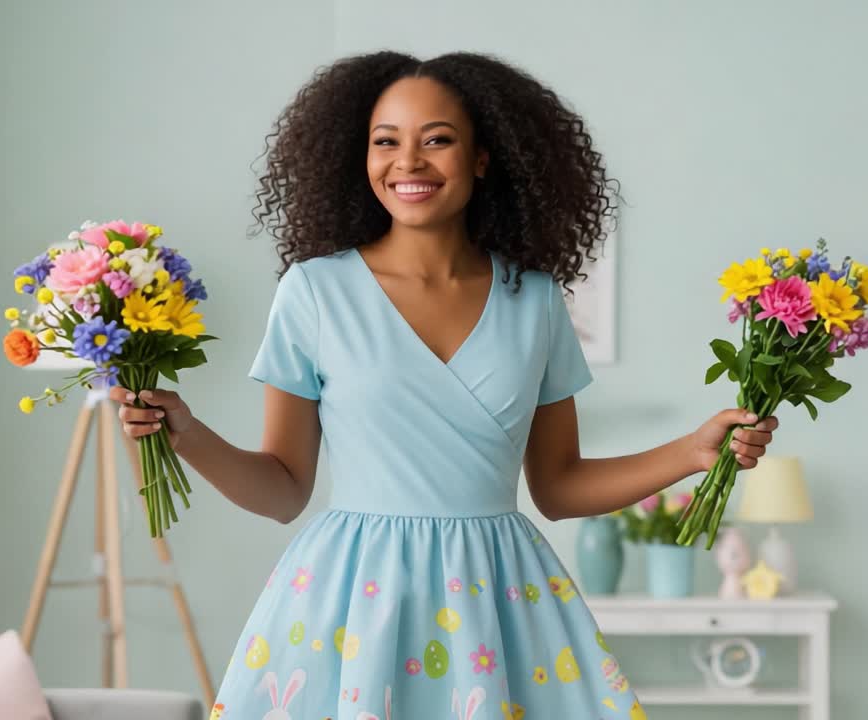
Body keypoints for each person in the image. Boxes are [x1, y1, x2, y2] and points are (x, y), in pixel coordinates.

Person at [109, 50, 778, 720]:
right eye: (386, 142)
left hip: (498, 602)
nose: (409, 162)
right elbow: (284, 490)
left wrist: (695, 452)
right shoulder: (314, 293)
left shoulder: (536, 301)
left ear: (483, 157)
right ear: (358, 156)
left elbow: (560, 485)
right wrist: (186, 434)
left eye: (437, 140)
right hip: (353, 602)